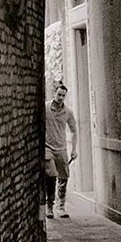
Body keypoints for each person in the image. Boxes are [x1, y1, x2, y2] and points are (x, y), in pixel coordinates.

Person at [44, 80, 78, 218]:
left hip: (61, 148)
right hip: (48, 147)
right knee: (51, 175)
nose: (61, 98)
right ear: (54, 93)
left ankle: (61, 206)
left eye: (63, 95)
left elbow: (74, 131)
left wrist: (74, 149)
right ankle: (49, 206)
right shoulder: (45, 108)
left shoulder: (68, 112)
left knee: (63, 177)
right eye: (59, 95)